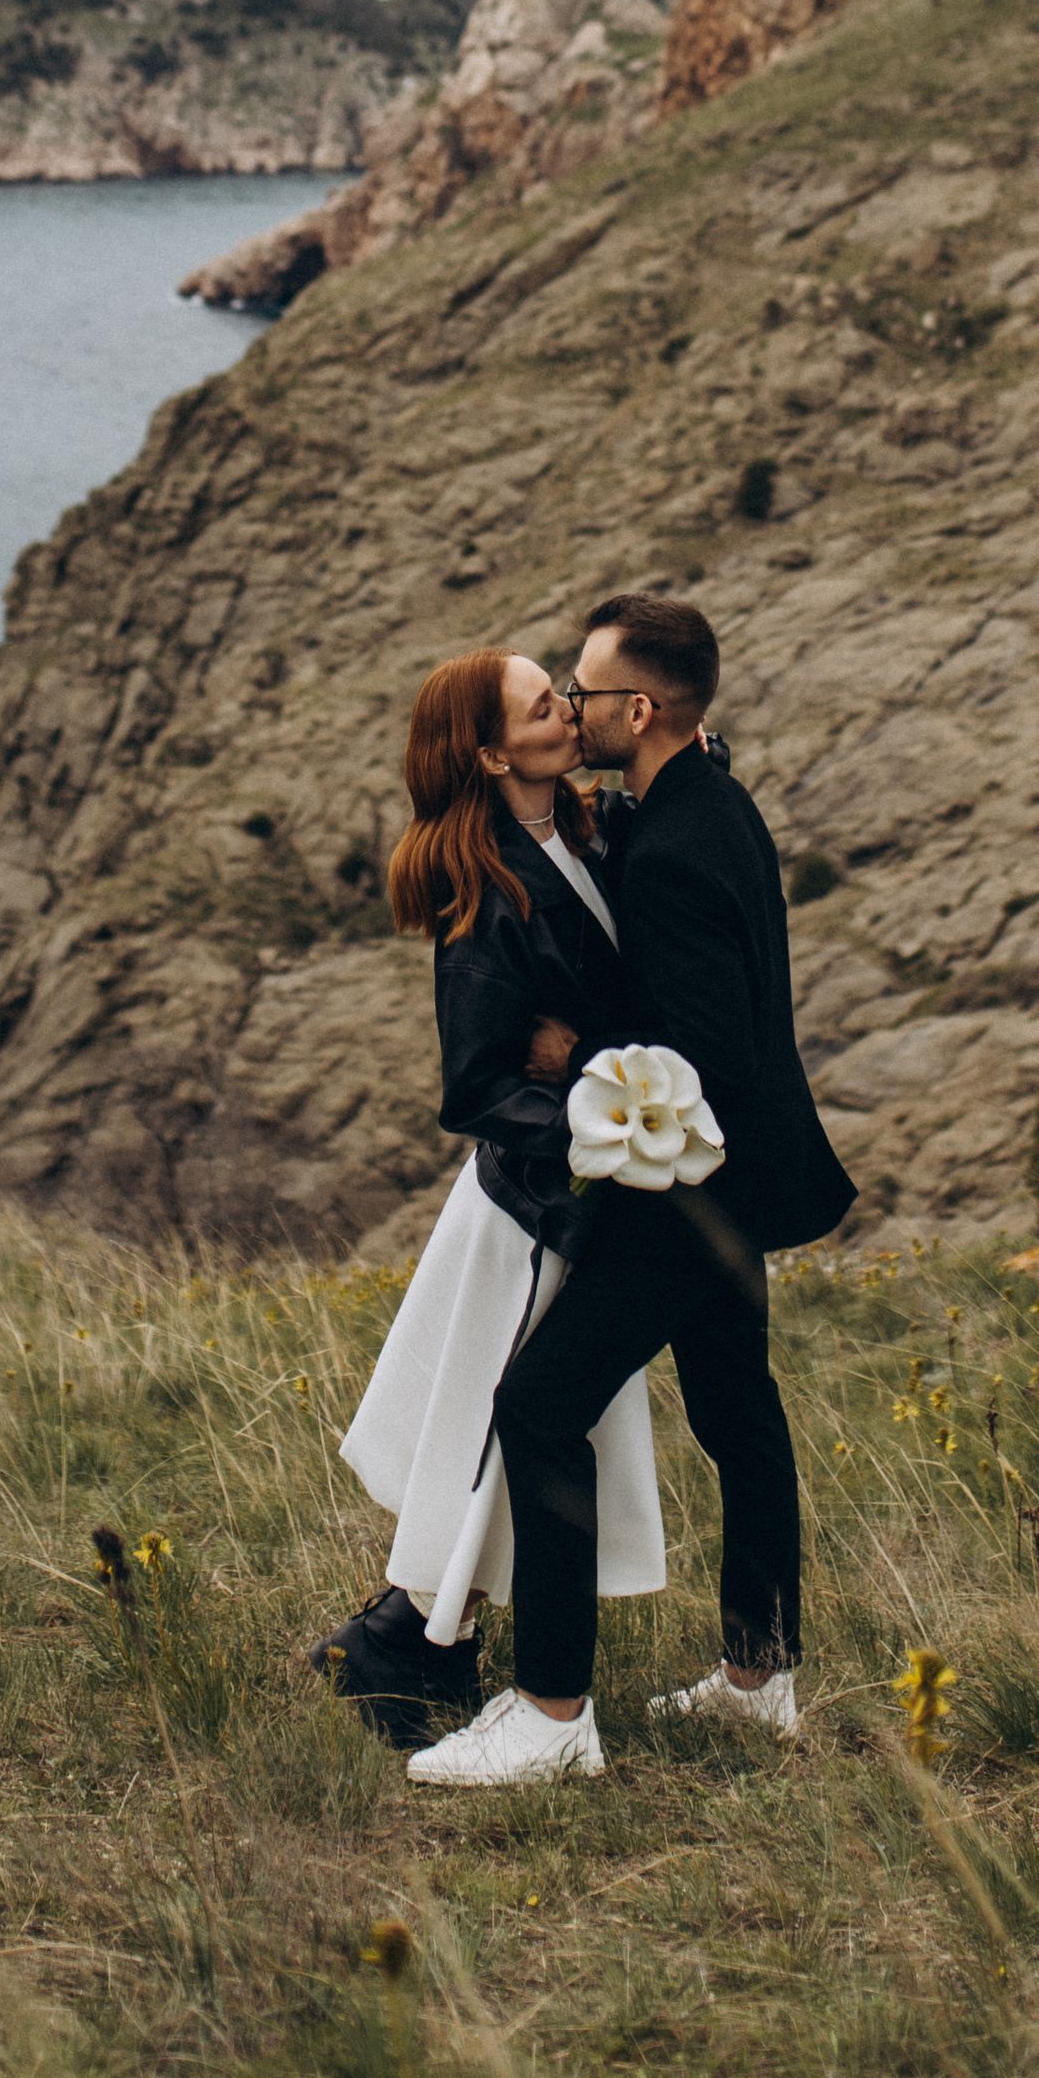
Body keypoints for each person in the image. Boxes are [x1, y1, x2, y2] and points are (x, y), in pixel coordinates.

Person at [407, 593, 856, 1788]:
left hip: (687, 1190)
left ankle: (553, 1716)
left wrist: (584, 1066)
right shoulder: (706, 797)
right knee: (736, 1412)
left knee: (542, 1409)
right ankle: (760, 1683)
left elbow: (692, 1044)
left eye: (585, 689)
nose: (572, 699)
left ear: (639, 708)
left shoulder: (660, 850)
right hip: (750, 1176)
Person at [310, 648, 665, 1748]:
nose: (566, 708)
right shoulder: (487, 893)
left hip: (574, 1195)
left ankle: (417, 1637)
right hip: (533, 1212)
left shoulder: (587, 830)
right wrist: (593, 1115)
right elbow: (475, 1089)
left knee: (500, 1429)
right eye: (540, 705)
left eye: (561, 689)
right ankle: (413, 1647)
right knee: (490, 1431)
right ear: (490, 751)